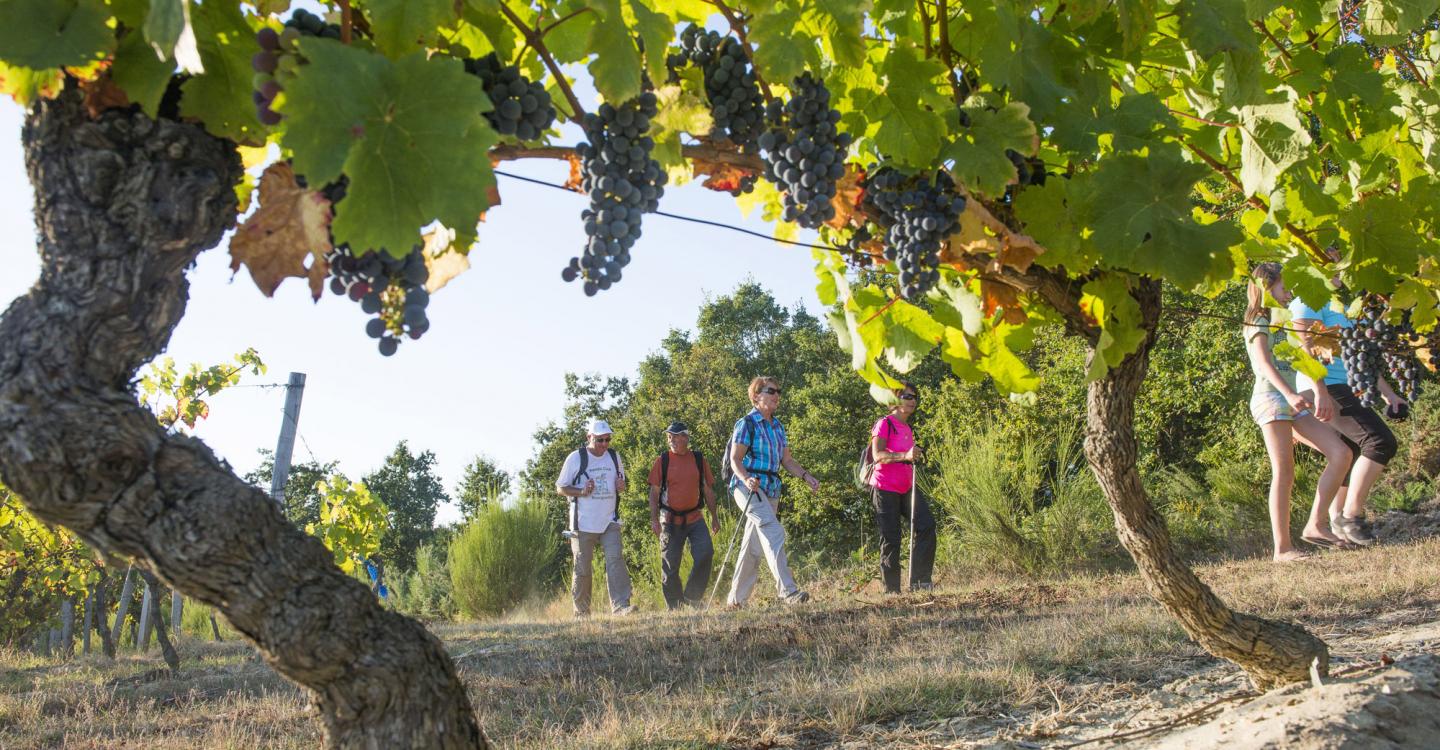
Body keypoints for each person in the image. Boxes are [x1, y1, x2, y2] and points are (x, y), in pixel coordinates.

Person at [1244, 263, 1353, 561]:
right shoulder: (1259, 319)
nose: (1289, 292)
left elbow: (1303, 357)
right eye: (1284, 286)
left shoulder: (1286, 317)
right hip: (1272, 399)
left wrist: (1319, 390)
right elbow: (1264, 363)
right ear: (1267, 287)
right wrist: (1290, 394)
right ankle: (1282, 549)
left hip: (1294, 401)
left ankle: (1316, 525)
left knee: (1341, 453)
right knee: (1284, 471)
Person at [1287, 265, 1402, 547]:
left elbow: (1357, 358)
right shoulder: (1306, 301)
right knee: (1379, 442)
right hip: (1325, 387)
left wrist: (1389, 394)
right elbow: (1306, 348)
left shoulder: (1340, 306)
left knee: (1351, 450)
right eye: (1331, 261)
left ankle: (1337, 521)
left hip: (1346, 386)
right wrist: (1320, 391)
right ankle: (1351, 517)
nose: (1339, 267)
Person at [726, 376, 818, 606]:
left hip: (771, 489)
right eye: (771, 391)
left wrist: (806, 476)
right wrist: (746, 478)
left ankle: (736, 601)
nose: (777, 395)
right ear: (756, 396)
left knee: (753, 546)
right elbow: (735, 459)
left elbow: (786, 460)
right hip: (748, 487)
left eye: (779, 391)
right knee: (773, 531)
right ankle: (788, 591)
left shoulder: (778, 426)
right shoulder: (746, 423)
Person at [556, 419, 635, 616]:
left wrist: (621, 486)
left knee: (615, 560)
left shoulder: (615, 457)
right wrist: (582, 491)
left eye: (607, 439)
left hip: (609, 520)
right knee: (583, 568)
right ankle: (582, 613)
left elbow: (621, 485)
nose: (604, 444)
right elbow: (561, 488)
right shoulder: (576, 458)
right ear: (589, 438)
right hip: (583, 523)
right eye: (599, 440)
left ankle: (621, 607)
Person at [868, 382, 937, 593]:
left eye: (914, 396)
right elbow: (878, 455)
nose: (912, 400)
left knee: (926, 525)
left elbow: (908, 457)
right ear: (895, 399)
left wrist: (913, 456)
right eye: (907, 396)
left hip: (907, 487)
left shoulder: (907, 428)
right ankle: (892, 590)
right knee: (891, 537)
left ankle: (920, 581)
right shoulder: (884, 423)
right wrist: (904, 456)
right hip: (884, 487)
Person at [647, 421, 719, 610]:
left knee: (705, 553)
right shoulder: (662, 460)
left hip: (695, 518)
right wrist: (654, 520)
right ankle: (675, 607)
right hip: (669, 521)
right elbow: (654, 493)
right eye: (670, 435)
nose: (672, 439)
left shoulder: (698, 459)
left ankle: (692, 597)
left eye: (676, 435)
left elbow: (708, 489)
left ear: (686, 438)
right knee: (670, 566)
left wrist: (715, 517)